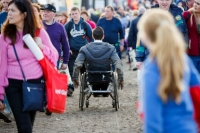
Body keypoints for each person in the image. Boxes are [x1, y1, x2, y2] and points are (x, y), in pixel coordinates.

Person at [0, 0, 58, 132]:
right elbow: (1, 66)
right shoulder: (5, 36)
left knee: (28, 126)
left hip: (35, 85)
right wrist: (0, 94)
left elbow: (54, 56)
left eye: (13, 10)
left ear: (24, 14)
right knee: (24, 126)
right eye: (8, 10)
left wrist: (42, 46)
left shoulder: (39, 33)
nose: (9, 13)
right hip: (13, 86)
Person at [138, 9, 199, 133]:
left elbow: (152, 118)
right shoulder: (183, 59)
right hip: (188, 128)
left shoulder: (151, 67)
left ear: (146, 36)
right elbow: (197, 95)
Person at [72, 26, 124, 92]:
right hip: (106, 76)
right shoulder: (111, 48)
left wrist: (75, 78)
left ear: (92, 36)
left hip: (91, 76)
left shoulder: (84, 48)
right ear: (103, 36)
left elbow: (77, 64)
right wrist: (120, 78)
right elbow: (118, 63)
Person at [64, 7, 93, 96]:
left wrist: (90, 48)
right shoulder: (68, 25)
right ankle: (70, 88)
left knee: (84, 70)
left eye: (76, 13)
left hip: (84, 51)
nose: (74, 16)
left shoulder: (85, 24)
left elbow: (91, 37)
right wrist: (67, 49)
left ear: (79, 13)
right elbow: (64, 39)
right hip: (72, 51)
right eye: (72, 14)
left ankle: (85, 87)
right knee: (72, 70)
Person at [41, 4, 70, 70]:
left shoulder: (60, 27)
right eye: (44, 11)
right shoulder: (38, 25)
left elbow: (65, 45)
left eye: (48, 12)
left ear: (54, 14)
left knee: (51, 80)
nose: (45, 13)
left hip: (54, 60)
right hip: (39, 59)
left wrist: (65, 61)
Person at [183, 0, 200, 73]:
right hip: (191, 53)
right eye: (195, 2)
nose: (195, 5)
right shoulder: (187, 14)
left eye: (198, 4)